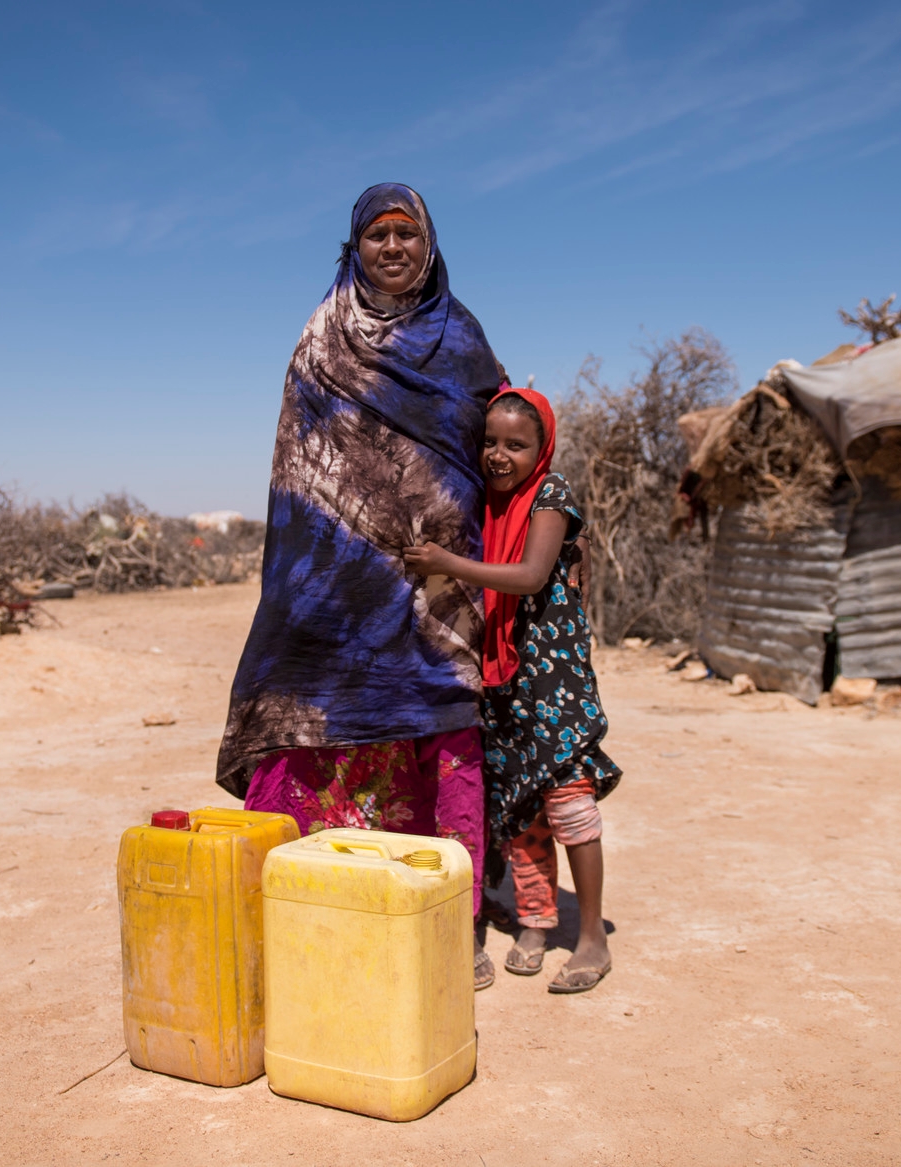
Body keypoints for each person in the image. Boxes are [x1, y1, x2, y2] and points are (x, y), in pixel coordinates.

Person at [215, 183, 505, 988]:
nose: (392, 247)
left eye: (406, 234)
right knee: (320, 721)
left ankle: (454, 920)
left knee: (442, 730)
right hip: (337, 587)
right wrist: (298, 583)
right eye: (376, 235)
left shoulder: (463, 339)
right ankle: (316, 898)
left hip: (437, 589)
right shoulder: (321, 338)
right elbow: (298, 464)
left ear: (430, 244)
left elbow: (504, 445)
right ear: (355, 247)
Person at [404, 388, 620, 994]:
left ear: (541, 447)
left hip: (551, 675)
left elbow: (528, 577)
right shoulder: (482, 504)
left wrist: (446, 562)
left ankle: (592, 940)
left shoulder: (550, 494)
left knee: (569, 802)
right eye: (491, 442)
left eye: (516, 445)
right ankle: (534, 920)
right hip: (500, 675)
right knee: (519, 808)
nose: (500, 455)